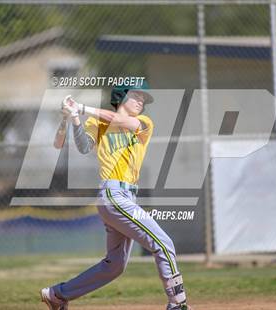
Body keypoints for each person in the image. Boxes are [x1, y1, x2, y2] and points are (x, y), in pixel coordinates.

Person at [40, 82, 191, 310]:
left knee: (115, 265)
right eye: (136, 96)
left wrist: (81, 107)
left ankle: (57, 294)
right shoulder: (97, 122)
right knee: (164, 244)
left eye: (143, 98)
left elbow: (121, 121)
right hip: (113, 194)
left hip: (126, 198)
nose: (142, 101)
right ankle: (177, 304)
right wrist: (71, 118)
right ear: (121, 97)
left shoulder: (144, 123)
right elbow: (77, 146)